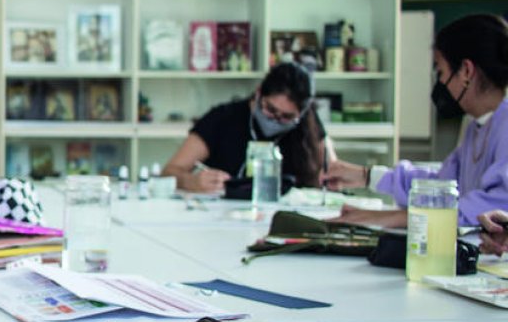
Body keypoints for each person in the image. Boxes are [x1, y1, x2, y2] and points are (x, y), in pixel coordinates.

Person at [325, 14, 508, 228]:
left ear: (466, 71)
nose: (440, 82)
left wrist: (388, 219)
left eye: (441, 71)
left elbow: (496, 207)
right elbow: (442, 187)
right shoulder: (478, 126)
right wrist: (368, 176)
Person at [162, 62, 332, 194]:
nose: (276, 120)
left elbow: (331, 175)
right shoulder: (222, 118)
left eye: (287, 117)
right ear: (259, 94)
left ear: (301, 114)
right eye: (270, 110)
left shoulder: (309, 124)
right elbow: (169, 172)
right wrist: (191, 182)